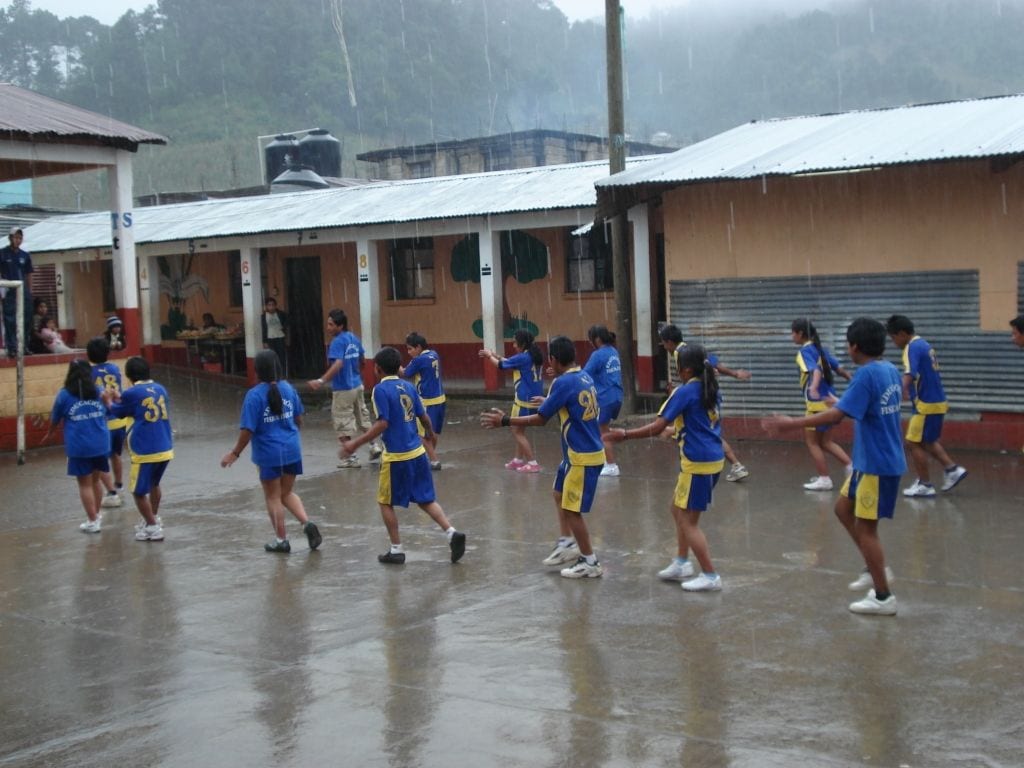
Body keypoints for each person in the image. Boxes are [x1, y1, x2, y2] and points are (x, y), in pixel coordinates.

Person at [764, 318, 906, 616]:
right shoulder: (889, 369)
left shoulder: (866, 375)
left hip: (877, 465)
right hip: (874, 460)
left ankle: (883, 597)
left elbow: (836, 416)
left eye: (848, 344)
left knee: (867, 529)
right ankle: (873, 567)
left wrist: (792, 423)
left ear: (854, 347)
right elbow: (857, 407)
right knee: (843, 509)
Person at [481, 335, 606, 578]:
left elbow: (540, 419)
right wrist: (549, 400)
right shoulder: (583, 376)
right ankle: (566, 542)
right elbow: (571, 402)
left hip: (582, 456)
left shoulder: (563, 382)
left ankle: (590, 562)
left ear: (554, 360)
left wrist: (505, 420)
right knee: (558, 493)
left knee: (572, 510)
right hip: (576, 454)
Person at [604, 344, 725, 591]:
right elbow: (699, 422)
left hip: (698, 463)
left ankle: (711, 576)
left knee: (689, 522)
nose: (676, 370)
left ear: (686, 368)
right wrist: (677, 431)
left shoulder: (685, 392)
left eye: (678, 365)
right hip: (709, 458)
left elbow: (658, 426)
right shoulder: (709, 387)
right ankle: (682, 562)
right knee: (677, 510)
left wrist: (624, 434)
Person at [340, 346, 466, 565]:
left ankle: (396, 549)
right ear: (399, 367)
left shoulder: (380, 390)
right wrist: (428, 433)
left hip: (397, 456)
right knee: (425, 499)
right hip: (418, 453)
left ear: (377, 368)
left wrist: (355, 443)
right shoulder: (408, 386)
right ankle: (451, 532)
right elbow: (423, 415)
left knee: (384, 501)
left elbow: (383, 422)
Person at [221, 350, 322, 554]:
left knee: (273, 497)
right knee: (286, 493)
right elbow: (299, 420)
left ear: (257, 371)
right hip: (292, 450)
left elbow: (248, 430)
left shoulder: (254, 396)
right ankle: (307, 523)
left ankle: (281, 540)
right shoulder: (289, 389)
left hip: (268, 454)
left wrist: (235, 453)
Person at [885, 315, 967, 497]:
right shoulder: (924, 345)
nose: (893, 342)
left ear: (902, 333)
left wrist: (897, 394)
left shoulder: (911, 347)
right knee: (927, 441)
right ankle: (952, 470)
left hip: (926, 404)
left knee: (912, 442)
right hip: (937, 402)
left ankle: (925, 484)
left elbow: (909, 373)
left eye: (893, 337)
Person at [659, 324, 751, 482]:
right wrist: (735, 374)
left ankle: (728, 465)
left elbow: (711, 366)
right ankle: (735, 465)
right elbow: (712, 363)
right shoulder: (690, 349)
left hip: (700, 395)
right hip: (706, 393)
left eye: (663, 342)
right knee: (707, 432)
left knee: (701, 432)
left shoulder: (680, 353)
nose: (663, 346)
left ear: (668, 342)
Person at [103, 356, 173, 542]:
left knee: (138, 491)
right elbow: (137, 403)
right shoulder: (160, 388)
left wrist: (108, 400)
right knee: (154, 484)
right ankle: (152, 518)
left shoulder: (132, 393)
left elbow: (117, 411)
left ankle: (152, 526)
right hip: (165, 447)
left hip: (144, 450)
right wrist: (120, 398)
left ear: (129, 376)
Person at [308, 308, 383, 467]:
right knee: (363, 418)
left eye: (331, 325)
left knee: (342, 422)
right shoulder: (353, 338)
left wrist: (321, 381)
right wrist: (356, 372)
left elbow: (338, 363)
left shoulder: (337, 342)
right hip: (357, 385)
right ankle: (373, 446)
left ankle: (351, 458)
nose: (328, 328)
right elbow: (362, 359)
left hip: (343, 389)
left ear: (340, 326)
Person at [42, 360, 111, 534]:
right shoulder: (98, 392)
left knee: (85, 485)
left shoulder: (64, 395)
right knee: (96, 481)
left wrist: (49, 433)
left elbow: (55, 419)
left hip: (79, 447)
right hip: (101, 443)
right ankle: (97, 515)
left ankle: (92, 520)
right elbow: (109, 411)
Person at [790, 318, 853, 490]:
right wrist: (851, 379)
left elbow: (815, 370)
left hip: (816, 405)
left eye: (793, 332)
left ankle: (824, 479)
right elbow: (839, 369)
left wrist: (814, 388)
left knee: (812, 443)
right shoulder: (820, 349)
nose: (791, 336)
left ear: (800, 333)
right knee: (826, 442)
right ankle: (851, 468)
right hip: (830, 403)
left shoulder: (804, 352)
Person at [478, 329, 544, 473]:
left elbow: (501, 365)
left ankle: (532, 463)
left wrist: (489, 356)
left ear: (523, 343)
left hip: (524, 401)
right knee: (519, 429)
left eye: (515, 342)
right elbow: (509, 362)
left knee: (517, 431)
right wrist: (494, 355)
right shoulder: (532, 356)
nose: (514, 345)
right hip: (530, 400)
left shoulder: (523, 358)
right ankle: (518, 460)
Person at [87, 336, 127, 508]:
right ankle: (119, 484)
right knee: (116, 454)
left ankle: (111, 492)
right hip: (119, 418)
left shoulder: (88, 372)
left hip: (103, 421)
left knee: (99, 459)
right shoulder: (114, 368)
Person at [400, 331, 445, 470]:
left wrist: (395, 364)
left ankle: (433, 460)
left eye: (410, 349)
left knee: (421, 434)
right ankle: (431, 456)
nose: (408, 352)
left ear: (418, 347)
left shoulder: (419, 360)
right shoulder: (434, 354)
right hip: (440, 399)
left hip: (426, 401)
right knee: (433, 432)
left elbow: (405, 373)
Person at [583, 325, 624, 477]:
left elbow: (584, 374)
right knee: (602, 428)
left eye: (591, 339)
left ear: (597, 339)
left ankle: (611, 465)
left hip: (605, 398)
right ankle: (605, 459)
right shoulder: (613, 351)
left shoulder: (598, 354)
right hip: (617, 396)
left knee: (602, 432)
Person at [0, 227, 34, 357]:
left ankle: (24, 346)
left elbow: (29, 273)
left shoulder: (24, 255)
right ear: (10, 238)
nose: (17, 240)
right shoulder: (2, 253)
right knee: (10, 320)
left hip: (23, 291)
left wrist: (30, 292)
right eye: (15, 237)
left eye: (20, 238)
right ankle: (12, 347)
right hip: (9, 290)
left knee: (26, 319)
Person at [260, 297, 289, 377]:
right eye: (269, 305)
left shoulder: (281, 314)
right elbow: (263, 329)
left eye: (273, 305)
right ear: (266, 306)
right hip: (270, 339)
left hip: (280, 337)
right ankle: (273, 376)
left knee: (281, 357)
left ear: (276, 306)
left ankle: (282, 375)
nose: (271, 307)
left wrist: (283, 328)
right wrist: (264, 341)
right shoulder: (263, 316)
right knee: (271, 358)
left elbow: (287, 321)